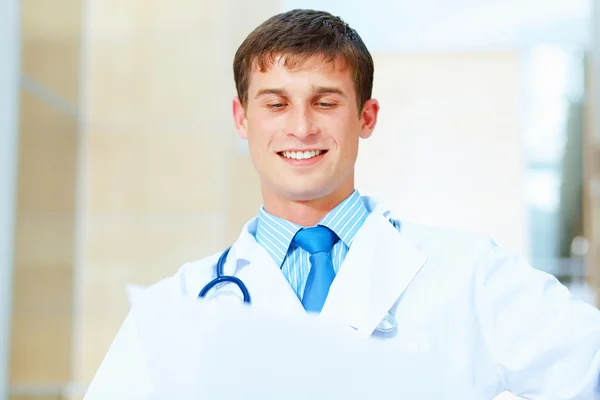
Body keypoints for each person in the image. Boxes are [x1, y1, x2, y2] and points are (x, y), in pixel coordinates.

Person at [84, 8, 600, 399]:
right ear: (242, 119)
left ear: (366, 117)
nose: (302, 127)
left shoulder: (469, 274)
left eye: (325, 102)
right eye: (277, 103)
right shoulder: (183, 303)